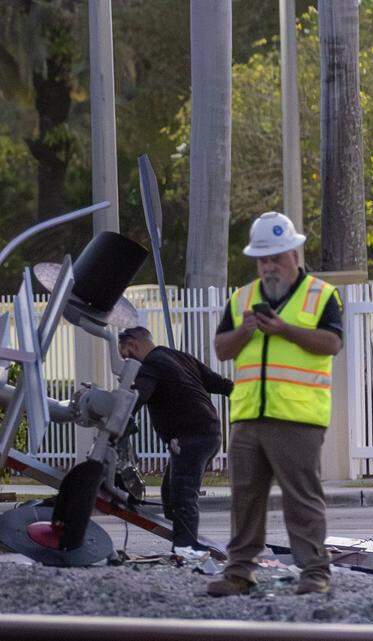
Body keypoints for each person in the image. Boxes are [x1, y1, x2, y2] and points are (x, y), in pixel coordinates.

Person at [206, 211, 343, 597]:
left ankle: (315, 572)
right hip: (249, 416)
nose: (270, 266)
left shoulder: (321, 295)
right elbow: (221, 349)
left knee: (302, 500)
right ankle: (239, 572)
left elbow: (332, 343)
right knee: (245, 499)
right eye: (263, 259)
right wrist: (246, 329)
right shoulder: (242, 299)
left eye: (277, 257)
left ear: (294, 254)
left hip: (298, 417)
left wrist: (284, 329)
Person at [118, 326, 233, 558]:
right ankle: (184, 537)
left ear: (133, 345)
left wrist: (120, 418)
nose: (127, 362)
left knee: (183, 492)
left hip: (192, 436)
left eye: (126, 355)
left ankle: (186, 548)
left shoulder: (150, 365)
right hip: (208, 431)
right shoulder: (180, 357)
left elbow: (139, 396)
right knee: (170, 494)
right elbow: (217, 382)